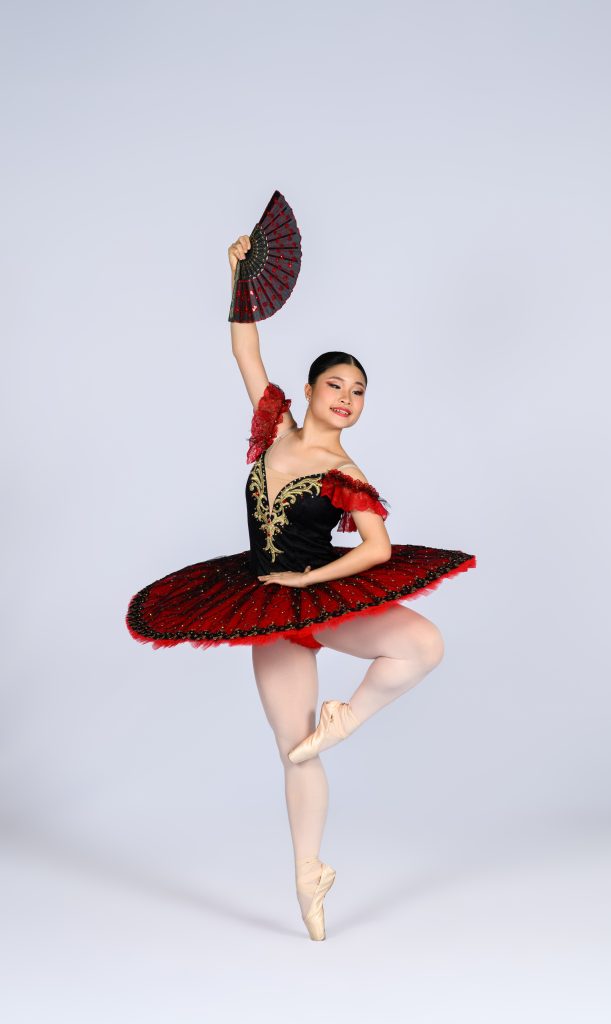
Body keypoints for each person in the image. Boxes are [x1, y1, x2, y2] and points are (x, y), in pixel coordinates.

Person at [126, 233, 476, 941]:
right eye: (336, 385)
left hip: (317, 596)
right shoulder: (275, 429)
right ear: (310, 390)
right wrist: (239, 279)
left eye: (359, 392)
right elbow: (244, 350)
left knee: (423, 644)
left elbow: (376, 548)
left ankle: (348, 718)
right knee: (294, 748)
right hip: (261, 603)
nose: (348, 399)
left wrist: (308, 576)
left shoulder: (346, 472)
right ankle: (308, 873)